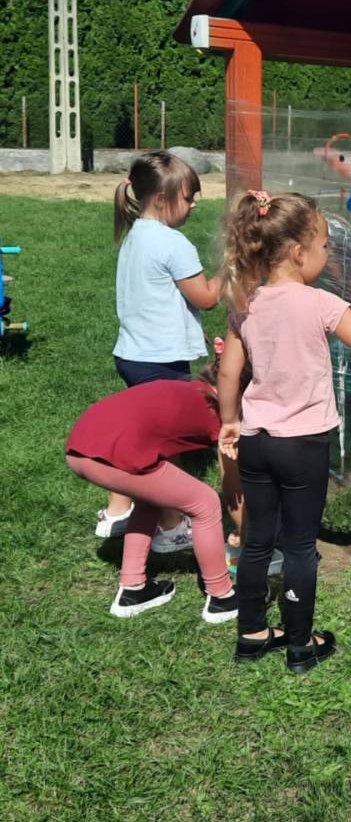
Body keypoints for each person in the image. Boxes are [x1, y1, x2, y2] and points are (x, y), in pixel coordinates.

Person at [217, 190, 351, 675]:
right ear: (299, 252)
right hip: (303, 446)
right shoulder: (321, 303)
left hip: (256, 441)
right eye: (327, 245)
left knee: (257, 540)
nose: (329, 253)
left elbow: (229, 372)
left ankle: (251, 634)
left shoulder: (247, 303)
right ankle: (300, 645)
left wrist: (229, 421)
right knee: (299, 545)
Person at [96, 152, 223, 548]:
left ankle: (118, 512)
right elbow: (206, 298)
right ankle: (170, 528)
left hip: (132, 355)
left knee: (142, 435)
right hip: (160, 361)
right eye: (189, 197)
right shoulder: (173, 243)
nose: (195, 204)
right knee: (165, 445)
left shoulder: (136, 233)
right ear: (162, 199)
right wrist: (232, 268)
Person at [65, 373, 239, 623]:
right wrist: (244, 527)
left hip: (79, 448)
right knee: (206, 503)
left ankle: (133, 590)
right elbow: (232, 477)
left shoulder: (190, 389)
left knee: (151, 498)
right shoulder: (217, 412)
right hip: (111, 454)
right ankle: (222, 597)